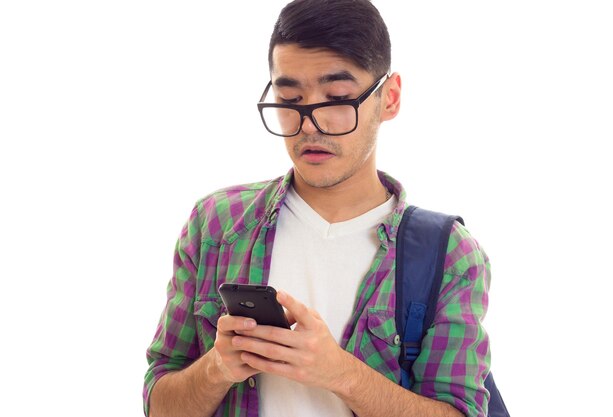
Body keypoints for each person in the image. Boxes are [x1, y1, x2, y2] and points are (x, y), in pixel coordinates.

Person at [143, 1, 492, 416]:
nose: (308, 124)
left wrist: (339, 373)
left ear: (390, 98)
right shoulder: (217, 225)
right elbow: (159, 404)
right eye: (289, 98)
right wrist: (218, 368)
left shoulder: (447, 253)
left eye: (337, 98)